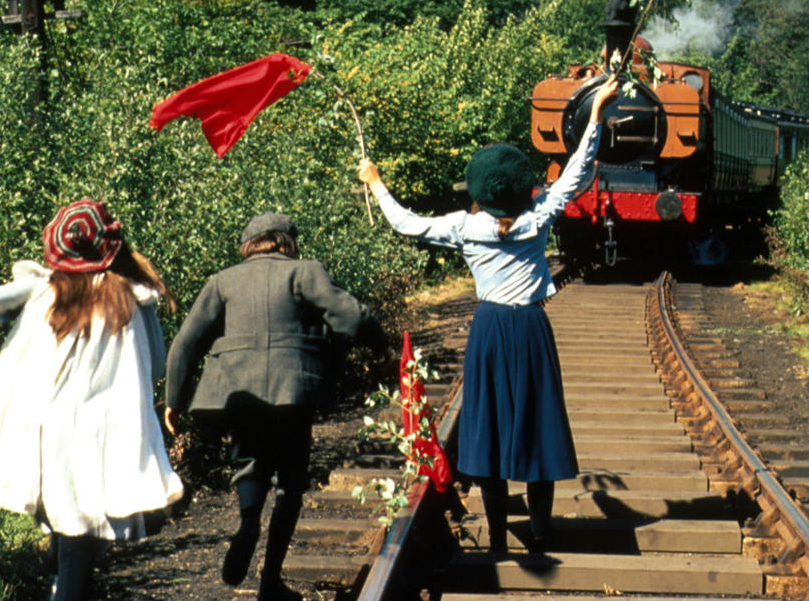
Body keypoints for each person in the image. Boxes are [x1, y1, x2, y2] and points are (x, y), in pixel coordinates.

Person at [357, 76, 619, 553]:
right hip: (532, 328)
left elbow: (404, 224)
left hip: (490, 330)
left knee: (491, 429)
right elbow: (580, 170)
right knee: (538, 426)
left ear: (478, 188)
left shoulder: (463, 226)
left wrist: (376, 183)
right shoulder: (539, 216)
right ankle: (540, 529)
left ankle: (498, 535)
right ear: (523, 187)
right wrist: (596, 110)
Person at [0, 198, 184, 601]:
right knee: (80, 542)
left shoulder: (44, 289)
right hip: (101, 434)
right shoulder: (132, 299)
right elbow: (157, 365)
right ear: (110, 248)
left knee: (69, 536)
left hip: (45, 431)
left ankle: (60, 582)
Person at [164, 212, 384, 601]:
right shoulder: (304, 272)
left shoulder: (223, 281)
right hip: (292, 389)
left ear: (249, 246)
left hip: (238, 392)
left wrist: (174, 401)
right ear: (287, 242)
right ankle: (270, 580)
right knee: (291, 482)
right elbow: (351, 317)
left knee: (249, 462)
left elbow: (185, 342)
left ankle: (248, 523)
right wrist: (380, 345)